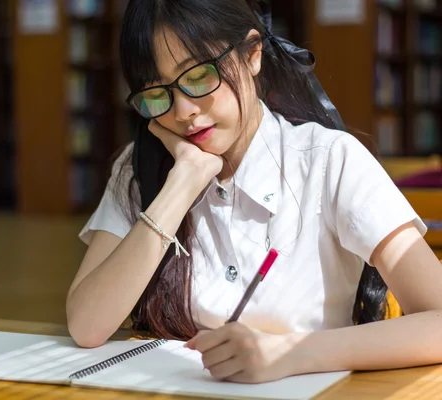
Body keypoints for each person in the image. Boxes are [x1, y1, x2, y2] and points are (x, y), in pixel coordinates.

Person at [66, 0, 442, 384]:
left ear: (252, 54)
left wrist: (293, 352)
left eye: (196, 77)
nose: (182, 112)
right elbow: (87, 325)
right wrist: (180, 186)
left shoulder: (328, 161)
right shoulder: (139, 169)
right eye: (157, 93)